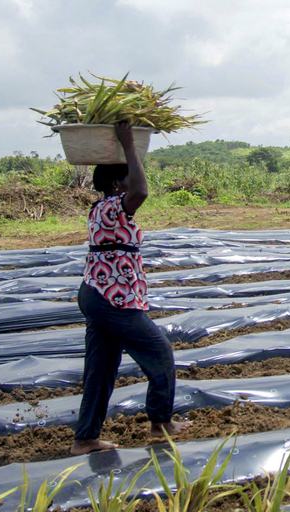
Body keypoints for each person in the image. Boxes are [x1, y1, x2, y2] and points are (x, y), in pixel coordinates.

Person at [72, 122, 186, 455]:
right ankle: (160, 422)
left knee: (101, 369)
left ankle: (86, 438)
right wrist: (128, 145)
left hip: (100, 294)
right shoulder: (112, 206)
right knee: (161, 353)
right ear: (114, 184)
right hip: (112, 300)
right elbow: (141, 191)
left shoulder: (104, 210)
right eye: (125, 177)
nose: (131, 182)